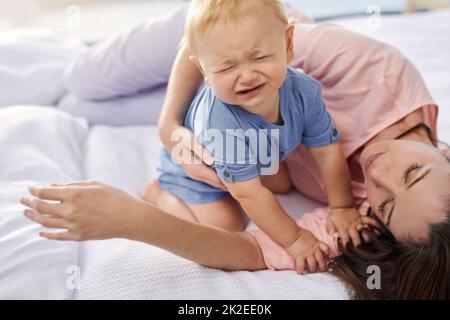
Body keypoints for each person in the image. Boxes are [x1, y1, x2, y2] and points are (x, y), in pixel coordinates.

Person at [20, 4, 450, 299]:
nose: (378, 176)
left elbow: (248, 250)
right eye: (412, 172)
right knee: (82, 81)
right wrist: (169, 127)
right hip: (216, 45)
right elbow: (219, 46)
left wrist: (130, 219)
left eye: (387, 205)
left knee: (82, 109)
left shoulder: (360, 214)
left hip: (222, 105)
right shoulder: (377, 71)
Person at [141, 0, 374, 273]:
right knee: (225, 225)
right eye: (226, 67)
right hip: (196, 173)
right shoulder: (222, 124)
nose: (248, 75)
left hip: (256, 157)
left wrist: (343, 206)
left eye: (260, 57)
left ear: (287, 44)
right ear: (203, 70)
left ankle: (244, 169)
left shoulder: (304, 92)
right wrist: (295, 239)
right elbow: (249, 195)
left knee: (283, 184)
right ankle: (159, 193)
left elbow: (327, 151)